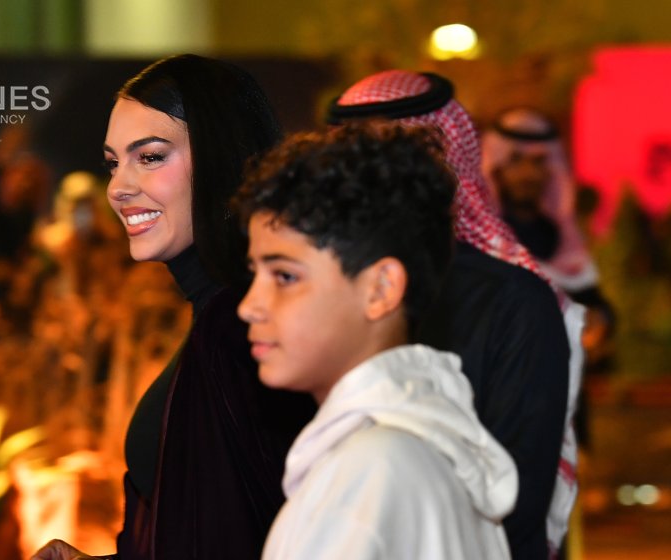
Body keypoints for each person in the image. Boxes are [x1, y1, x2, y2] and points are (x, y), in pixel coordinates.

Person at [32, 54, 315, 560]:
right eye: (113, 162)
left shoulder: (240, 328)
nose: (118, 187)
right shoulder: (226, 316)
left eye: (152, 156)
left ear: (221, 158)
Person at [326, 70, 584, 559]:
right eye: (359, 156)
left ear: (449, 165)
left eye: (405, 155)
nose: (379, 177)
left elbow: (515, 497)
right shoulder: (329, 290)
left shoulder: (513, 300)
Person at [235, 124, 517, 559]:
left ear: (381, 288)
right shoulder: (431, 444)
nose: (250, 306)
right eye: (254, 273)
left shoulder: (368, 472)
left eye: (285, 276)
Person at [481, 107, 615, 374]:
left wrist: (598, 320)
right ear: (496, 167)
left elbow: (592, 300)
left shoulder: (563, 237)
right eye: (516, 161)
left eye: (539, 162)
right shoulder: (480, 237)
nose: (528, 174)